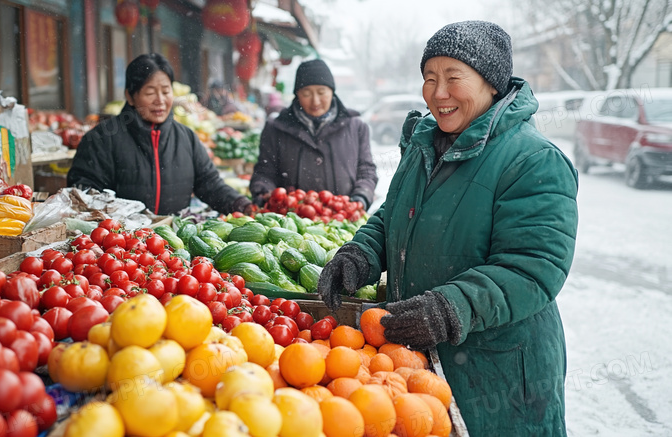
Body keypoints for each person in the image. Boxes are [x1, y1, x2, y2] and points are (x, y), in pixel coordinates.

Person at [317, 21, 578, 435]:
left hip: (500, 370)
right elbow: (397, 214)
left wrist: (450, 307)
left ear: (491, 84)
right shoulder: (426, 144)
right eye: (429, 78)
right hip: (425, 361)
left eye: (453, 78)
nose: (438, 93)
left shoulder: (533, 160)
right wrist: (362, 253)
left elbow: (534, 267)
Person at [67, 54, 252, 216]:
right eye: (150, 92)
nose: (160, 101)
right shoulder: (101, 139)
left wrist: (241, 204)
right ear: (130, 96)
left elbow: (210, 184)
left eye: (165, 91)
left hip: (171, 248)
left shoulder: (186, 138)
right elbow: (84, 194)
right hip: (122, 248)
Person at [249, 59, 378, 210]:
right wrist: (262, 193)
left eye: (322, 92)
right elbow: (264, 172)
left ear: (332, 92)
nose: (315, 101)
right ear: (297, 94)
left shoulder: (356, 127)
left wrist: (362, 196)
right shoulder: (276, 128)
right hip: (292, 221)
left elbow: (366, 170)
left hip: (343, 218)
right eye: (307, 93)